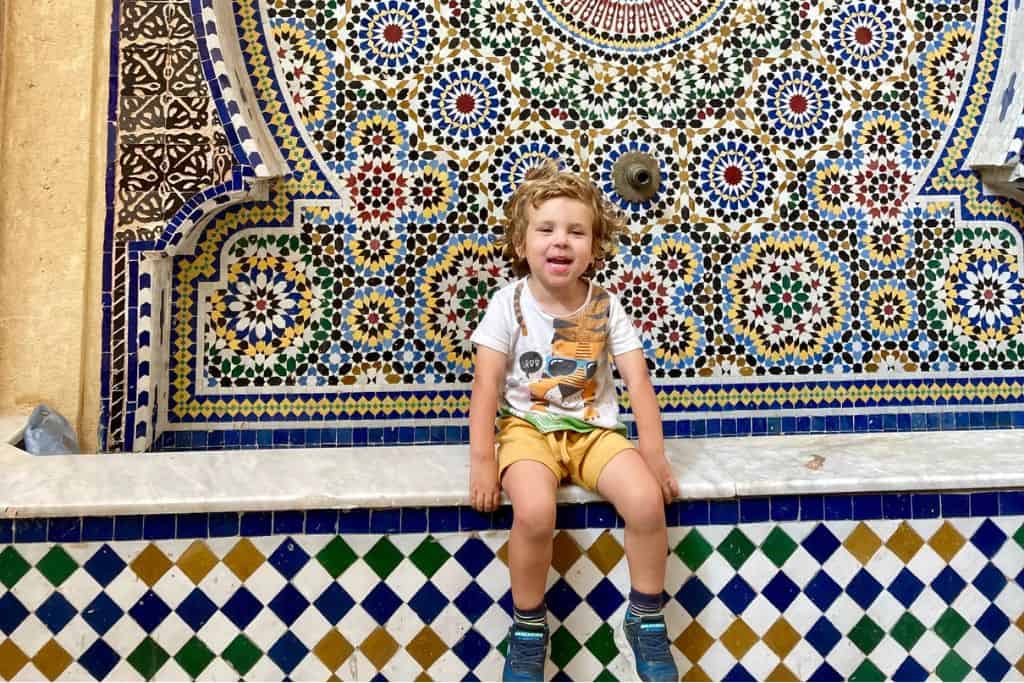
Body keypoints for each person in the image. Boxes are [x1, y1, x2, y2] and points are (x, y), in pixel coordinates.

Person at [468, 162, 681, 682]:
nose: (560, 241)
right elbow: (487, 386)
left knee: (646, 502)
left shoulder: (605, 307)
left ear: (594, 247)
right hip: (527, 432)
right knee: (536, 512)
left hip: (594, 434)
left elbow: (637, 382)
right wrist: (481, 462)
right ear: (521, 244)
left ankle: (646, 617)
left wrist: (653, 457)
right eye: (546, 229)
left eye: (576, 231)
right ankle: (527, 627)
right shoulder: (508, 303)